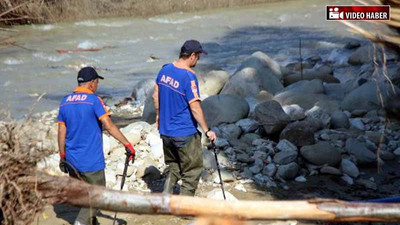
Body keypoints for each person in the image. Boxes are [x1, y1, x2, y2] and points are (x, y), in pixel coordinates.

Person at [57, 66, 136, 225]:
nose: (98, 85)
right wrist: (127, 144)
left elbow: (61, 131)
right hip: (90, 160)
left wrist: (62, 156)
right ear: (92, 83)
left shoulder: (65, 102)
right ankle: (80, 222)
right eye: (97, 82)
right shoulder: (94, 100)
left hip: (72, 160)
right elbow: (109, 125)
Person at [152, 40, 217, 196]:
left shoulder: (165, 70)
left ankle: (165, 197)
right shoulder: (188, 77)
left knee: (174, 166)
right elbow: (195, 107)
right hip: (184, 132)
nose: (198, 60)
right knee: (192, 171)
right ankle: (184, 208)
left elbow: (155, 96)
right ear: (192, 56)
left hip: (165, 131)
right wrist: (207, 130)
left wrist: (159, 116)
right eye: (198, 57)